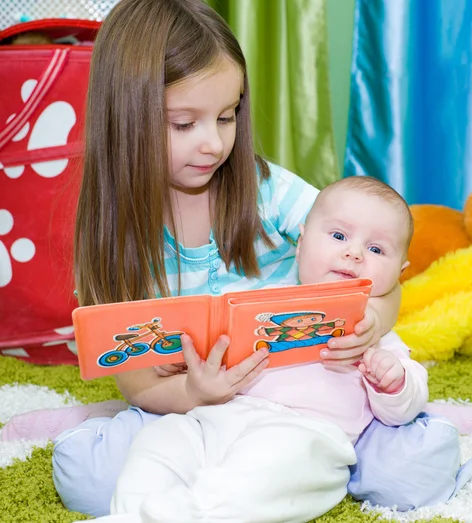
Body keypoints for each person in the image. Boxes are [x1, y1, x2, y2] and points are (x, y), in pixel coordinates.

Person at [6, 0, 401, 518]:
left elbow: (379, 278)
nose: (213, 143)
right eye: (183, 123)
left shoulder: (264, 188)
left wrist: (372, 322)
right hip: (189, 411)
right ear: (125, 118)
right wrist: (194, 391)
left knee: (405, 475)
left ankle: (397, 427)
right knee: (91, 482)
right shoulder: (113, 235)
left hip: (310, 400)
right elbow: (141, 383)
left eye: (226, 115)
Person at [86, 174, 429, 523]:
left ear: (399, 273)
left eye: (376, 250)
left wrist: (393, 381)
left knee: (250, 485)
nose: (353, 253)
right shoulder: (263, 304)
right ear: (301, 241)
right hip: (217, 416)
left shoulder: (373, 333)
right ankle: (130, 513)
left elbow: (403, 407)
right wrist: (183, 364)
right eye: (339, 236)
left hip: (303, 435)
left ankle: (174, 517)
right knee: (160, 443)